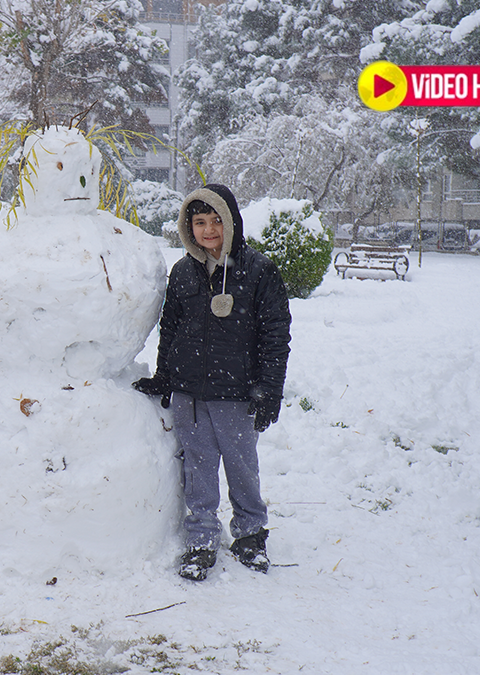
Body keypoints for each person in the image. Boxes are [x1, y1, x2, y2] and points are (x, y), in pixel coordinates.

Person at [133, 184, 291, 581]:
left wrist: (269, 389)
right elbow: (170, 328)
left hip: (236, 393)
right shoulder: (184, 271)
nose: (208, 230)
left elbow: (276, 335)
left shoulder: (258, 271)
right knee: (198, 468)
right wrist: (165, 376)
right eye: (199, 222)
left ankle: (251, 533)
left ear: (231, 221)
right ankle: (201, 538)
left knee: (241, 467)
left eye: (215, 220)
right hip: (190, 393)